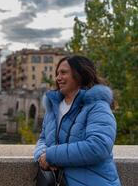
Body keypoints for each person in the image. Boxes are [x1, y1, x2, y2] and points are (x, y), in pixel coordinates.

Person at [33, 55, 121, 186]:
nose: (58, 78)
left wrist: (52, 155)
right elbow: (43, 138)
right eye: (57, 73)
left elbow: (98, 146)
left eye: (63, 73)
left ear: (79, 74)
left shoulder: (97, 106)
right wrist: (42, 155)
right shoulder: (53, 107)